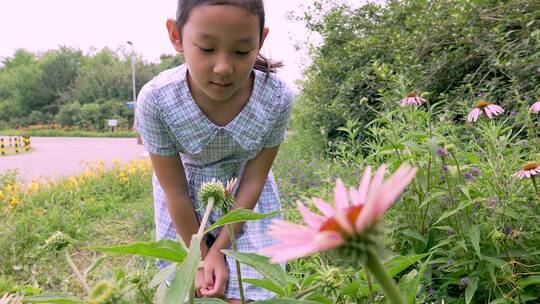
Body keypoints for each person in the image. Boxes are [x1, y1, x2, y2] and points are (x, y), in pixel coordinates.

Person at [135, 0, 295, 303]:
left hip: (245, 204)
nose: (223, 67)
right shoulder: (156, 99)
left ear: (261, 40)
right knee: (191, 292)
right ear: (177, 35)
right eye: (207, 49)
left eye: (242, 51)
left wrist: (220, 250)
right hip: (183, 205)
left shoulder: (277, 98)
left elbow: (254, 180)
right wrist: (200, 258)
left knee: (249, 293)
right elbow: (175, 192)